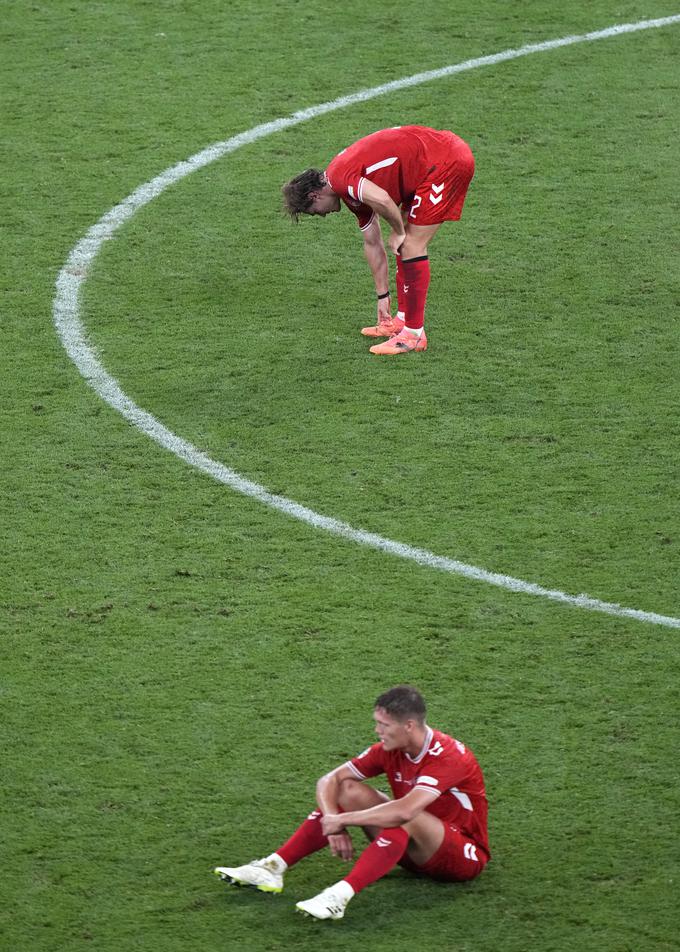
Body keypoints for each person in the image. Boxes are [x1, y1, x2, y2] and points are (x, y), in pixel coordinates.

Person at [214, 685, 490, 921]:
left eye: (384, 725)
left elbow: (406, 811)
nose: (377, 730)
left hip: (462, 857)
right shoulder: (389, 750)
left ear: (409, 726)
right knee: (347, 790)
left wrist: (343, 820)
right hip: (412, 850)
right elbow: (328, 781)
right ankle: (273, 868)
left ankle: (338, 896)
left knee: (403, 813)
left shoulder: (449, 756)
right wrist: (332, 824)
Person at [281, 126, 475, 355]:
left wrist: (398, 230)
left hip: (446, 160)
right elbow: (372, 242)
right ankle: (402, 320)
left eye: (314, 211)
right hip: (427, 162)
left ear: (315, 195)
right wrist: (383, 296)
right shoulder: (347, 191)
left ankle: (413, 335)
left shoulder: (342, 179)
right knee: (404, 244)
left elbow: (383, 200)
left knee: (411, 244)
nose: (321, 215)